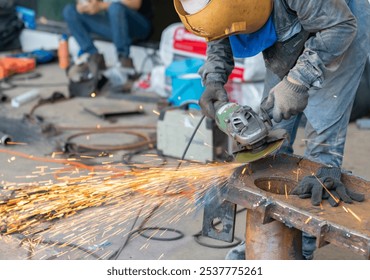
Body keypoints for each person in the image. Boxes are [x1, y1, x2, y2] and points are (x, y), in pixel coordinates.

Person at [174, 0, 370, 260]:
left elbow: (341, 26)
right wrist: (214, 77)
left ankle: (303, 245)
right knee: (270, 137)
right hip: (288, 32)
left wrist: (297, 81)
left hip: (340, 29)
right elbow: (218, 27)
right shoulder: (218, 7)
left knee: (322, 146)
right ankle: (269, 238)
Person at [63, 0, 153, 76]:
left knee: (115, 8)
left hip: (139, 26)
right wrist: (83, 6)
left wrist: (102, 6)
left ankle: (124, 61)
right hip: (114, 26)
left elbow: (135, 4)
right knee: (70, 11)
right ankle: (93, 57)